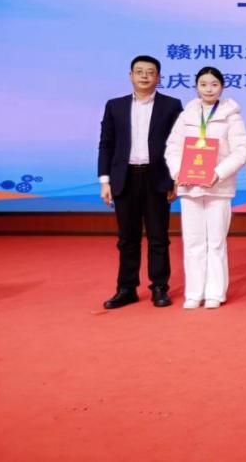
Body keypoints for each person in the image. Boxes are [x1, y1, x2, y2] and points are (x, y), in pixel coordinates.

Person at [98, 55, 183, 309]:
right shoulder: (115, 106)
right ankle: (126, 289)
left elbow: (180, 145)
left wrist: (175, 179)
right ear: (130, 76)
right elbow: (106, 144)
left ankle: (159, 287)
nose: (144, 76)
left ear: (159, 77)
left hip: (157, 178)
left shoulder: (171, 105)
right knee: (127, 238)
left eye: (150, 72)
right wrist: (105, 180)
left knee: (159, 237)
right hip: (124, 178)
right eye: (139, 71)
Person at [165, 66, 246, 309]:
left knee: (216, 242)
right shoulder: (187, 115)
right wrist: (178, 172)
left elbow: (241, 151)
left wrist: (218, 173)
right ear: (196, 87)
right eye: (203, 84)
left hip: (218, 188)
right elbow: (173, 148)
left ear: (222, 87)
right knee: (193, 241)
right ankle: (194, 293)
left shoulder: (232, 116)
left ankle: (215, 292)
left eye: (214, 84)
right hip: (189, 187)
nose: (208, 89)